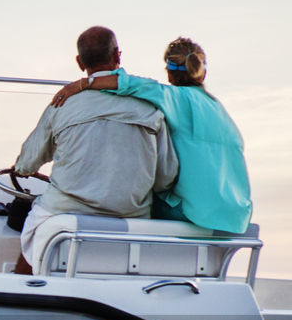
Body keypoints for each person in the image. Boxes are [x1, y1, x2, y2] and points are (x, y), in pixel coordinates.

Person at [12, 26, 179, 274]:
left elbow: (27, 164)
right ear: (118, 56)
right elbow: (166, 177)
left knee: (31, 243)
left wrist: (22, 168)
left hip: (66, 213)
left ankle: (22, 295)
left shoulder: (62, 103)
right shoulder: (150, 106)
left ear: (80, 63)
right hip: (130, 219)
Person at [50, 36, 252, 234]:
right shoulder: (220, 111)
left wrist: (83, 84)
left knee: (132, 202)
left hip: (194, 215)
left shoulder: (172, 98)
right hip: (235, 217)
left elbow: (127, 84)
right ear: (202, 73)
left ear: (170, 75)